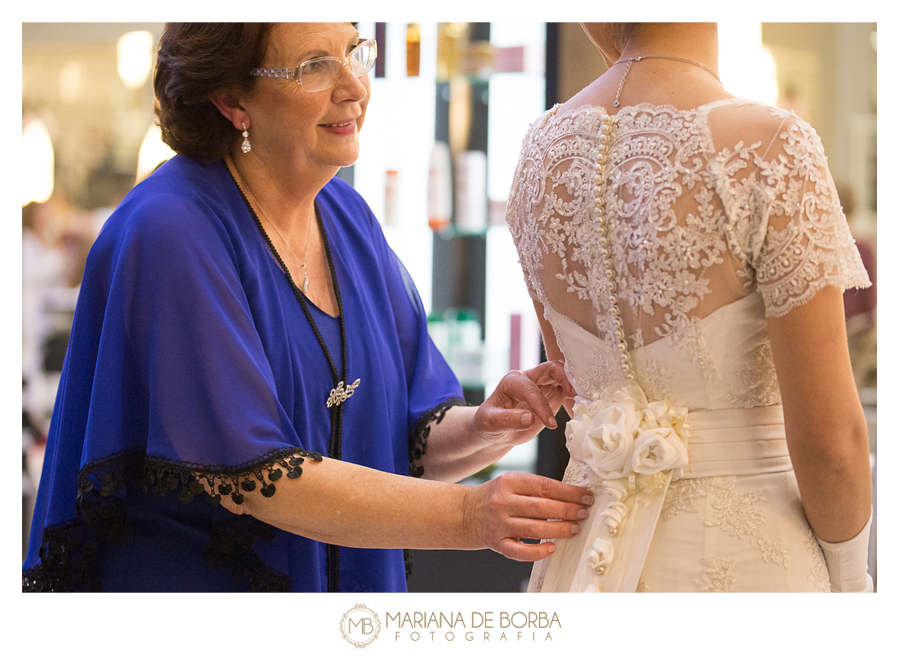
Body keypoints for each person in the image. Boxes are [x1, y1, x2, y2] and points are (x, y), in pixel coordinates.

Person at [22, 22, 593, 593]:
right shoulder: (171, 229)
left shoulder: (349, 218)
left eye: (354, 54)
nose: (354, 87)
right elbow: (256, 477)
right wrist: (469, 515)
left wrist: (486, 428)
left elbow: (404, 440)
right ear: (231, 100)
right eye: (314, 67)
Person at [505, 22, 873, 592]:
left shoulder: (540, 152)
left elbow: (574, 392)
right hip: (750, 563)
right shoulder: (771, 146)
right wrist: (853, 584)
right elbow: (831, 445)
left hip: (587, 555)